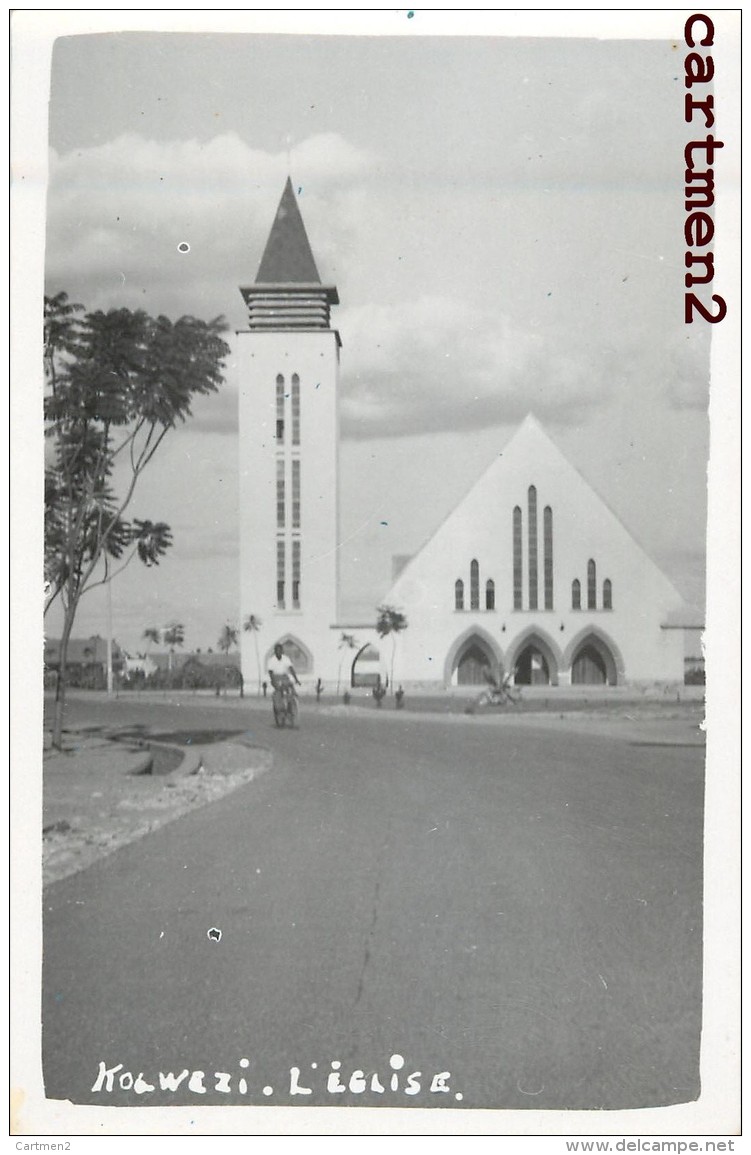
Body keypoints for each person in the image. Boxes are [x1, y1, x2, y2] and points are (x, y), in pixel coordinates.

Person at [268, 643, 301, 710]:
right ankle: (279, 705)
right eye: (277, 651)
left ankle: (291, 702)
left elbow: (291, 669)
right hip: (276, 677)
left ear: (282, 651)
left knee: (290, 685)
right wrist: (274, 681)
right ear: (275, 652)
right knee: (279, 690)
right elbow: (270, 673)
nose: (278, 652)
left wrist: (296, 679)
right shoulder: (272, 660)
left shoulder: (286, 659)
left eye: (280, 650)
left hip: (284, 677)